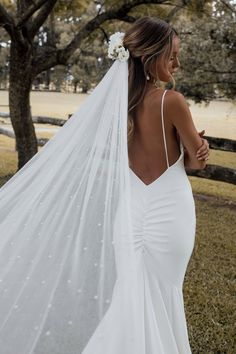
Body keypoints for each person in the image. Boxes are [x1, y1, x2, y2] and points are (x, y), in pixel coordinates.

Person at [0, 16, 209, 354]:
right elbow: (195, 163)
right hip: (169, 213)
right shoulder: (172, 102)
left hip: (130, 214)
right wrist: (201, 149)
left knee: (130, 295)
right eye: (172, 55)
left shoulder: (117, 108)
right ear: (149, 56)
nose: (177, 63)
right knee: (162, 296)